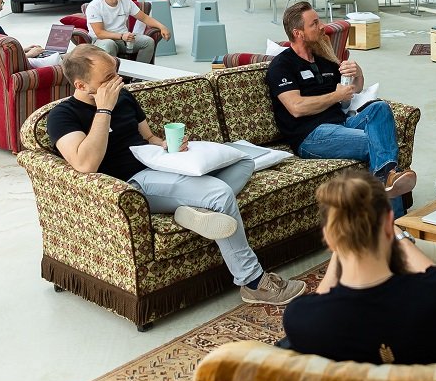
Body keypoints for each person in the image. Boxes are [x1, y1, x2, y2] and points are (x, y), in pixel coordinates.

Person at [48, 44, 307, 305]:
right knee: (220, 193)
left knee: (243, 161)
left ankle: (190, 210)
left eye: (116, 74)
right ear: (81, 86)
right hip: (132, 183)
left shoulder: (125, 97)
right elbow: (85, 164)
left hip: (160, 164)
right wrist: (104, 110)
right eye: (108, 79)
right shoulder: (62, 115)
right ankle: (253, 282)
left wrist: (166, 145)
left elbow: (147, 137)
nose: (119, 81)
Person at [283, 171, 436, 364]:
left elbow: (320, 299)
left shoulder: (301, 319)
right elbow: (433, 274)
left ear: (328, 239)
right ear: (389, 224)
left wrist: (341, 249)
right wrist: (402, 238)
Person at [265, 1, 416, 218]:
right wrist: (336, 96)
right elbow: (296, 107)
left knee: (380, 109)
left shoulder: (324, 60)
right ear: (298, 33)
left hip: (341, 124)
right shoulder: (282, 66)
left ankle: (387, 179)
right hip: (311, 136)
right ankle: (396, 218)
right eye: (314, 23)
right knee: (380, 140)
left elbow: (353, 89)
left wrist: (358, 73)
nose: (322, 26)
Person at [86, 0, 171, 64]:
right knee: (109, 44)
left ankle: (139, 74)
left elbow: (145, 18)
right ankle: (113, 76)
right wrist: (122, 36)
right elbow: (100, 33)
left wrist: (162, 27)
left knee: (148, 42)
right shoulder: (94, 6)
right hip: (102, 41)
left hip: (124, 39)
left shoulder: (126, 1)